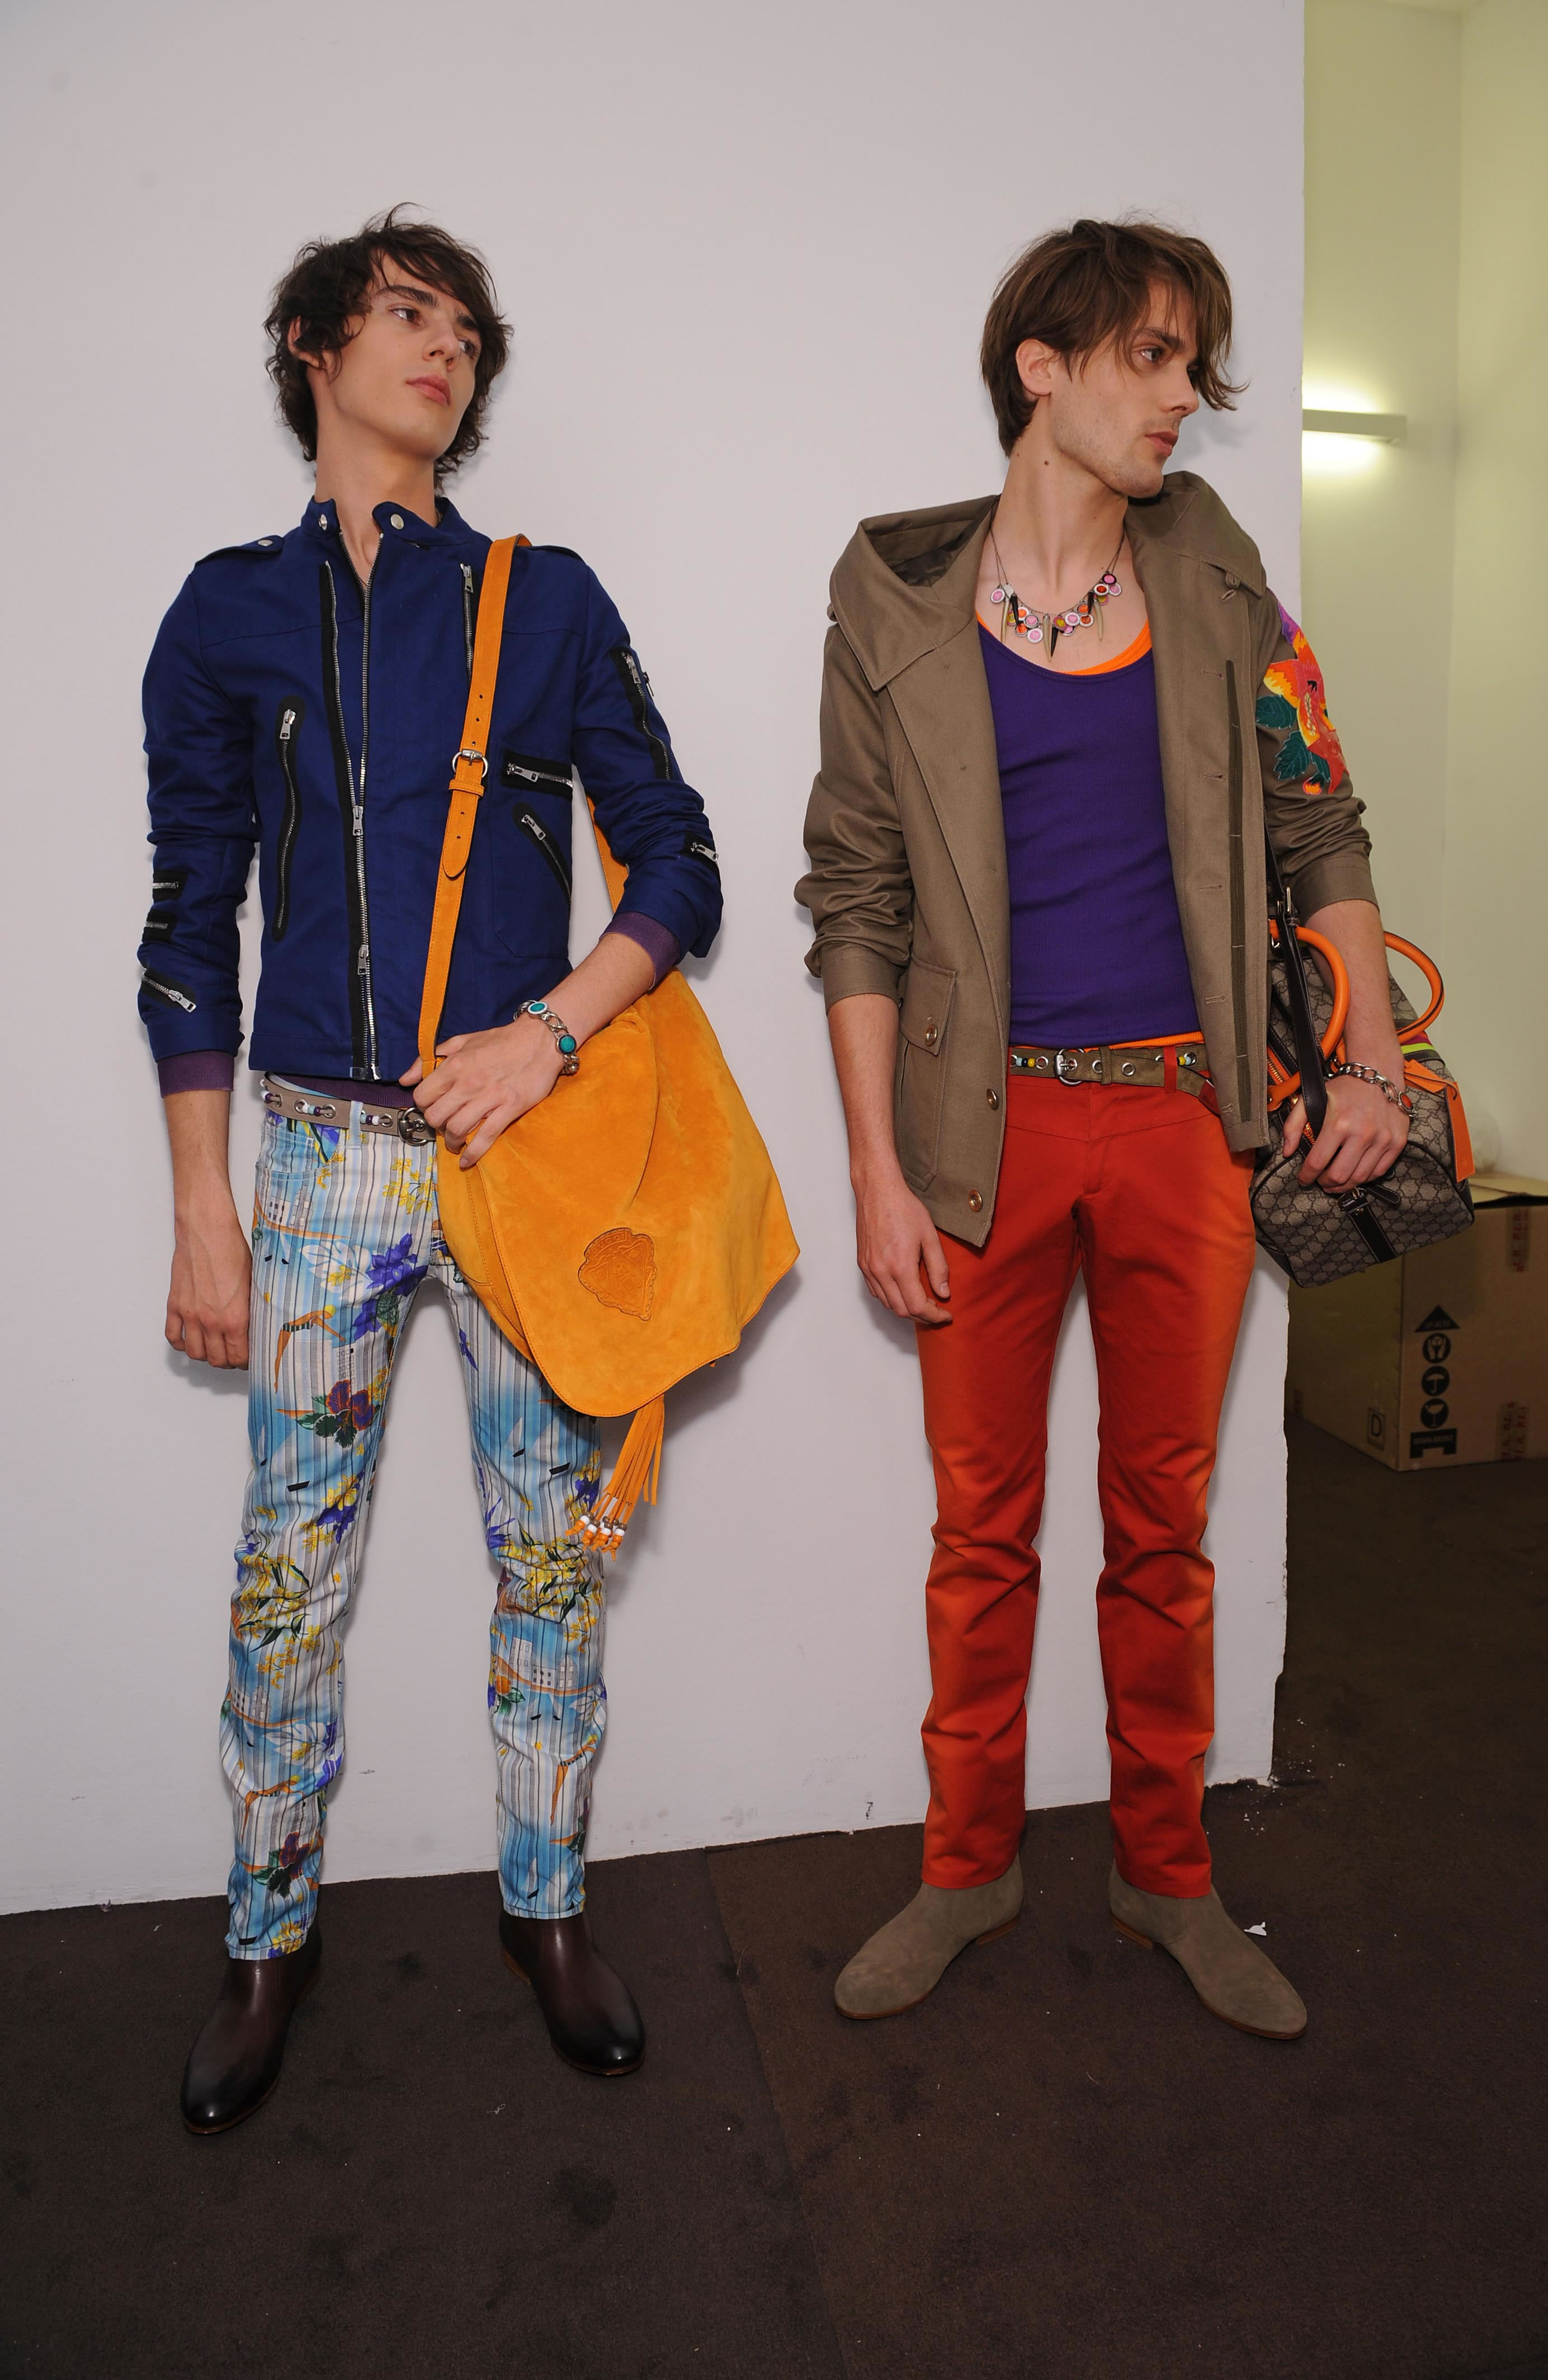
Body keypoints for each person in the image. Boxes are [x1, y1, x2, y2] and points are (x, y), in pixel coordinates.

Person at [798, 219, 1409, 2040]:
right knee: (981, 1530)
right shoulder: (893, 603)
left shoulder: (1218, 576)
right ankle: (966, 1867)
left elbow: (1321, 820)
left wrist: (1371, 1061)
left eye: (1194, 364)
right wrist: (876, 1170)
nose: (1183, 397)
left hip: (1184, 1125)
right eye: (1150, 355)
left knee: (1165, 1525)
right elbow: (856, 903)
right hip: (979, 1140)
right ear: (1040, 368)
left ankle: (1168, 1873)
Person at [143, 210, 722, 2131]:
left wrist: (548, 1031)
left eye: (467, 329)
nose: (445, 347)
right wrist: (205, 1209)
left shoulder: (545, 604)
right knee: (286, 1576)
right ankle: (265, 1940)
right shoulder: (225, 613)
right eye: (407, 314)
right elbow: (187, 925)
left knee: (555, 1561)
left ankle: (548, 1911)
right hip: (314, 1166)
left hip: (522, 1163)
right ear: (314, 349)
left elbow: (680, 859)